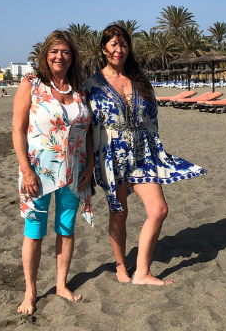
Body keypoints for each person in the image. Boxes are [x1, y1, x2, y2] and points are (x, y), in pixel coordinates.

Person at [84, 24, 206, 285]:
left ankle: (142, 272)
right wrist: (89, 164)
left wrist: (158, 152)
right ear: (103, 48)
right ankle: (121, 265)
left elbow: (152, 121)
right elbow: (86, 128)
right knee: (119, 213)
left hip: (143, 154)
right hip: (111, 155)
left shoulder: (140, 81)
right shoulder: (91, 85)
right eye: (114, 44)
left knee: (159, 209)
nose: (119, 50)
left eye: (124, 45)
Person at [12, 30, 94, 315]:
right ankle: (30, 292)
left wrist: (90, 166)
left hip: (74, 170)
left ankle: (61, 284)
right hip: (38, 170)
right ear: (45, 55)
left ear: (73, 57)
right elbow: (17, 129)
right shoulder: (31, 84)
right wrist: (26, 170)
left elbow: (88, 132)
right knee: (34, 230)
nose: (60, 57)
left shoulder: (79, 89)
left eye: (65, 52)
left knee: (66, 227)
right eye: (54, 51)